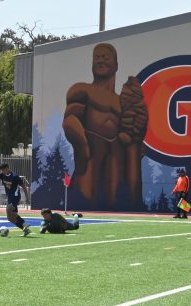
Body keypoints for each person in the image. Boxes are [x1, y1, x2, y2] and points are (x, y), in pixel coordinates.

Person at [63, 43, 148, 208]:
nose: (100, 61)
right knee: (85, 198)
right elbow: (70, 119)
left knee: (118, 202)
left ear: (116, 65)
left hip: (116, 169)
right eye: (97, 57)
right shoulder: (82, 90)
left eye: (105, 57)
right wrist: (82, 145)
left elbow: (132, 133)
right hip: (90, 162)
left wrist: (135, 144)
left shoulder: (123, 102)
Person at [0, 163, 31, 236]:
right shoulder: (2, 175)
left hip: (15, 196)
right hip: (10, 197)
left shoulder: (15, 176)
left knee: (9, 210)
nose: (3, 171)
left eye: (4, 169)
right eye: (2, 170)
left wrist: (27, 198)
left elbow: (24, 187)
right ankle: (25, 229)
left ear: (8, 168)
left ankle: (24, 222)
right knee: (10, 218)